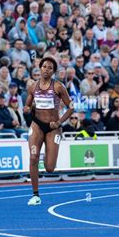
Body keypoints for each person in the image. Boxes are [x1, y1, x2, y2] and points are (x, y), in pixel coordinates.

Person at [24, 57, 74, 205]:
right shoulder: (33, 86)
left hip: (53, 128)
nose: (46, 69)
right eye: (44, 66)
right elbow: (27, 105)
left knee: (50, 168)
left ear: (53, 71)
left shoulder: (58, 86)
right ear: (40, 68)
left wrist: (59, 122)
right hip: (37, 125)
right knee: (33, 158)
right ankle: (35, 195)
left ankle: (48, 149)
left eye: (50, 68)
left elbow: (71, 107)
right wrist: (27, 108)